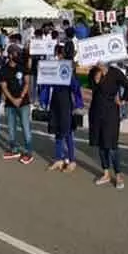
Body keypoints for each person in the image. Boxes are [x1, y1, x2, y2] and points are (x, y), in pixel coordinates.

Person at [39, 44, 83, 172]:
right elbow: (46, 84)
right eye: (56, 54)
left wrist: (78, 104)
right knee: (57, 130)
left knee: (68, 132)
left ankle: (72, 160)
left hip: (66, 103)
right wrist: (44, 100)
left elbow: (75, 87)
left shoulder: (68, 67)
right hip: (55, 101)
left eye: (58, 54)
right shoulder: (53, 67)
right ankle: (58, 159)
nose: (57, 56)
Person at [88, 60, 128, 189]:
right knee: (101, 144)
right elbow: (92, 86)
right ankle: (106, 172)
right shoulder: (93, 71)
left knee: (112, 145)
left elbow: (127, 85)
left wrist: (123, 100)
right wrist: (97, 74)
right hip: (96, 111)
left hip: (111, 111)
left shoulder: (115, 72)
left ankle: (118, 175)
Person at [0, 45, 34, 164]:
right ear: (10, 55)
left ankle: (29, 152)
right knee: (11, 128)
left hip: (23, 103)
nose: (18, 55)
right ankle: (14, 149)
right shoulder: (4, 69)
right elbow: (3, 86)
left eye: (19, 53)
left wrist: (20, 98)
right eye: (16, 53)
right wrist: (12, 99)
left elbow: (27, 83)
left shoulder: (22, 66)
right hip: (10, 104)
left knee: (25, 127)